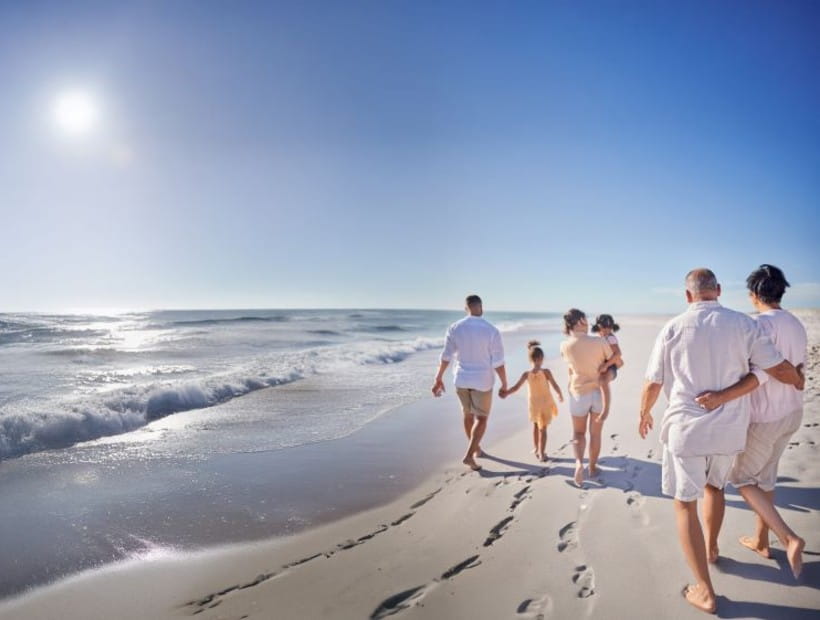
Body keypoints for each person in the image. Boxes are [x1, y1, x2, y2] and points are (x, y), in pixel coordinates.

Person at [638, 268, 803, 614]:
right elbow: (774, 367)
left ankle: (706, 591)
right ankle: (711, 548)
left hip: (687, 430)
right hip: (730, 430)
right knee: (715, 489)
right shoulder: (745, 324)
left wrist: (644, 413)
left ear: (687, 296)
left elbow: (653, 381)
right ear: (719, 291)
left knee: (685, 504)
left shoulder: (672, 327)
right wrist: (797, 377)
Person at [693, 264, 806, 578]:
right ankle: (761, 540)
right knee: (765, 479)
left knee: (742, 479)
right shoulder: (796, 323)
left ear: (753, 294)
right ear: (780, 291)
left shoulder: (756, 326)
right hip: (792, 413)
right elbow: (800, 372)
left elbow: (759, 376)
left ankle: (789, 537)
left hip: (764, 417)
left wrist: (720, 396)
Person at [432, 294, 507, 471]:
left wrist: (438, 378)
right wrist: (504, 383)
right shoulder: (491, 330)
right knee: (481, 418)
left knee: (467, 416)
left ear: (466, 308)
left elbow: (446, 356)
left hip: (461, 379)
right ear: (481, 307)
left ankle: (477, 450)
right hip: (483, 381)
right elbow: (498, 362)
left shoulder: (455, 328)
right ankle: (469, 455)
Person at [560, 308, 616, 485]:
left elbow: (571, 369)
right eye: (584, 319)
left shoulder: (564, 345)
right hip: (598, 393)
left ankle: (578, 465)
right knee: (595, 434)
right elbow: (617, 362)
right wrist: (607, 369)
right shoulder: (599, 342)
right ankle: (592, 468)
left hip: (578, 393)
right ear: (579, 322)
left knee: (578, 433)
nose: (587, 322)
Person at [502, 340, 563, 461]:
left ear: (530, 359)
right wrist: (559, 394)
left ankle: (536, 448)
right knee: (543, 428)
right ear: (541, 358)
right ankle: (541, 453)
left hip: (534, 404)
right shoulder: (546, 372)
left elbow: (515, 387)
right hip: (545, 402)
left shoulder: (526, 374)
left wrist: (507, 393)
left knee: (536, 426)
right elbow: (555, 385)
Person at [591, 314, 624, 423]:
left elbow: (618, 353)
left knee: (603, 382)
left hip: (611, 365)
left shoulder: (610, 338)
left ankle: (605, 411)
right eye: (604, 327)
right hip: (603, 363)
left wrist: (606, 365)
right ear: (598, 327)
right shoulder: (599, 337)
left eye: (609, 328)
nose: (606, 330)